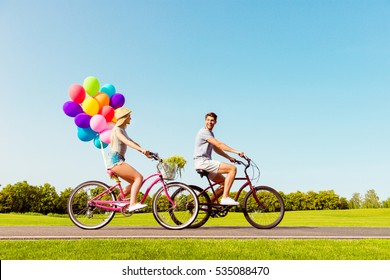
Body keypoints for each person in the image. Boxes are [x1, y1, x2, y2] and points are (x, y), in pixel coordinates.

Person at [193, 112, 245, 206]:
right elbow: (219, 144)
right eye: (208, 120)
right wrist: (236, 151)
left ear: (215, 122)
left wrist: (229, 157)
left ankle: (207, 205)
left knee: (224, 184)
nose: (210, 122)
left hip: (204, 163)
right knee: (232, 169)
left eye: (212, 120)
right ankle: (225, 198)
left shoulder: (210, 133)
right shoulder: (204, 132)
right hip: (203, 162)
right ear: (205, 120)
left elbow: (216, 148)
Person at [108, 107, 151, 212]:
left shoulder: (122, 130)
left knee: (135, 182)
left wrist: (144, 152)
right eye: (129, 116)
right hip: (116, 161)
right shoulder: (117, 130)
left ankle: (119, 198)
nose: (130, 118)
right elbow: (127, 142)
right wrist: (141, 149)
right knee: (139, 178)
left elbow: (133, 142)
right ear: (124, 117)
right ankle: (132, 204)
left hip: (119, 159)